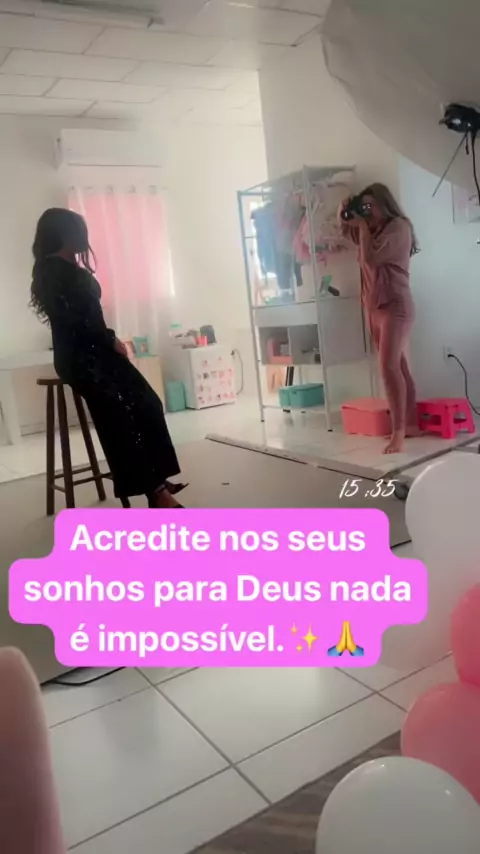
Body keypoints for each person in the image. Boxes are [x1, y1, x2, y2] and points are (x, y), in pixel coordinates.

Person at [30, 208, 185, 508]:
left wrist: (107, 340)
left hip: (94, 352)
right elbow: (80, 321)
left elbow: (86, 318)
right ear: (63, 233)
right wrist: (111, 339)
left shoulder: (62, 268)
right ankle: (154, 490)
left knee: (147, 404)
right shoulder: (53, 271)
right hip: (83, 359)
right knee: (121, 416)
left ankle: (155, 477)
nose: (83, 237)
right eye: (77, 231)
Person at [339, 184, 419, 454]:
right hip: (374, 306)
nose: (367, 212)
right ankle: (410, 423)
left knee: (388, 368)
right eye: (363, 207)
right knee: (398, 366)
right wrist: (345, 211)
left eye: (370, 206)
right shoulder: (371, 229)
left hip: (396, 305)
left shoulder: (399, 228)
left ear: (385, 204)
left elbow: (370, 259)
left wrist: (362, 227)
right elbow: (346, 230)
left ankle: (398, 433)